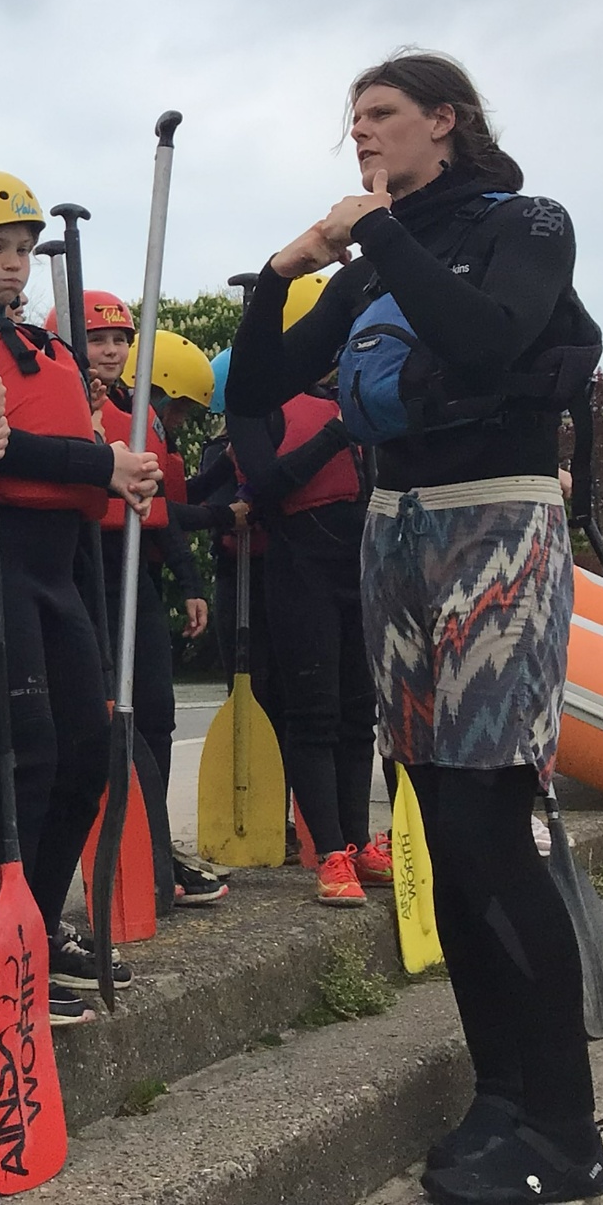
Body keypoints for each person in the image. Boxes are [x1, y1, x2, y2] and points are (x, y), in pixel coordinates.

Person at [228, 49, 603, 1203]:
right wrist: (273, 277)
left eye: (380, 116)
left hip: (496, 525)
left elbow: (490, 340)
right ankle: (500, 1097)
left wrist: (374, 234)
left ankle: (564, 1126)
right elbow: (255, 393)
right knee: (439, 825)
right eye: (350, 121)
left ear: (443, 121)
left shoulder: (524, 222)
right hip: (392, 532)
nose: (359, 135)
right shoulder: (365, 267)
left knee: (490, 822)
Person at [0, 172, 160, 1016]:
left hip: (57, 568)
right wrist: (102, 464)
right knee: (25, 755)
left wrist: (113, 465)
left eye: (22, 250)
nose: (15, 265)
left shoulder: (48, 351)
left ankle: (39, 925)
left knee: (86, 757)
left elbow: (55, 447)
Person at [222, 277, 381, 905]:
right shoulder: (253, 401)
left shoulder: (355, 392)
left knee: (357, 711)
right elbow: (266, 483)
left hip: (357, 567)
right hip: (298, 569)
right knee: (313, 715)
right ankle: (331, 854)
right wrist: (340, 433)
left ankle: (360, 840)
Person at [86, 307, 227, 907]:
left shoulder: (139, 415)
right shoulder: (51, 398)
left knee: (157, 715)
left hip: (132, 571)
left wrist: (191, 581)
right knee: (90, 726)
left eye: (120, 339)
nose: (113, 350)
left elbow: (159, 507)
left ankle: (153, 844)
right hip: (81, 569)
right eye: (97, 339)